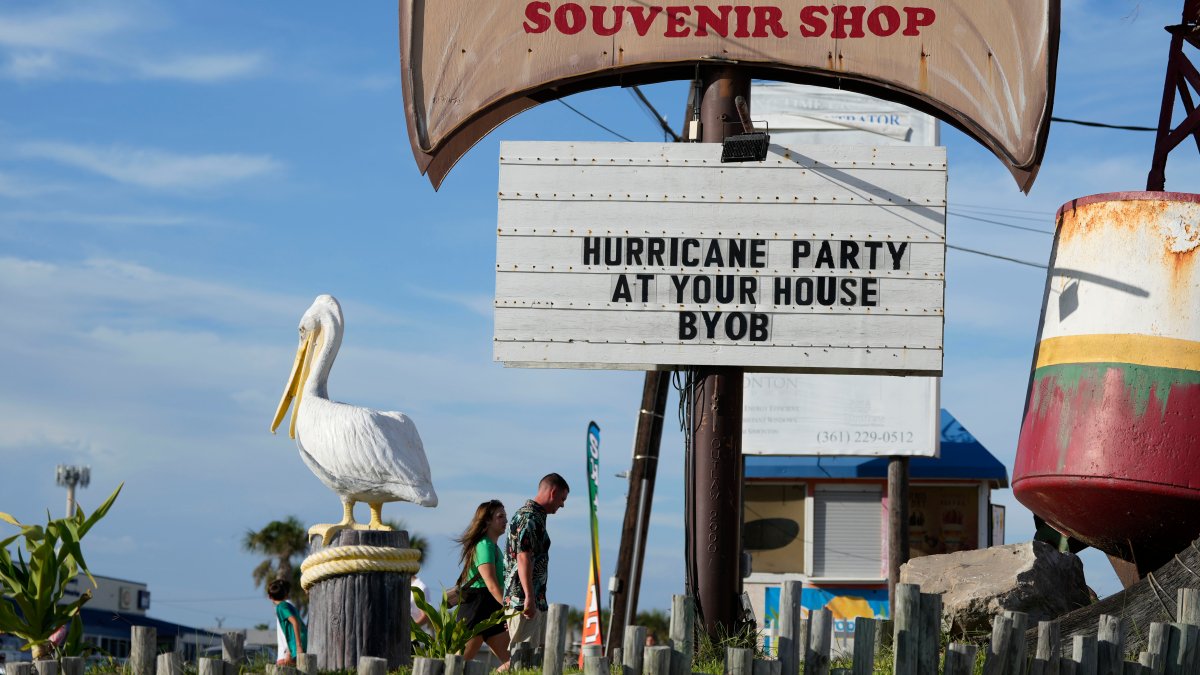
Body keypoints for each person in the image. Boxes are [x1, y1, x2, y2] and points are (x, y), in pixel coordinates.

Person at [503, 473, 569, 650]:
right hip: (524, 601)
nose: (562, 504)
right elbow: (523, 557)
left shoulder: (532, 516)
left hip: (528, 600)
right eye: (562, 498)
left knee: (533, 659)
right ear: (553, 492)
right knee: (521, 659)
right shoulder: (530, 517)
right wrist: (529, 598)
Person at [456, 500, 511, 664]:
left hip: (492, 607)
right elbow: (492, 585)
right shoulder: (484, 545)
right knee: (459, 664)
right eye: (500, 516)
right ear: (487, 521)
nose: (506, 521)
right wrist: (509, 610)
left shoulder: (494, 547)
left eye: (505, 516)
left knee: (513, 663)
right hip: (476, 607)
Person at [268, 579, 306, 666]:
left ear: (269, 596)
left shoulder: (282, 607)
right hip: (292, 648)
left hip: (288, 651)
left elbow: (292, 626)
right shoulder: (289, 605)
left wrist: (289, 651)